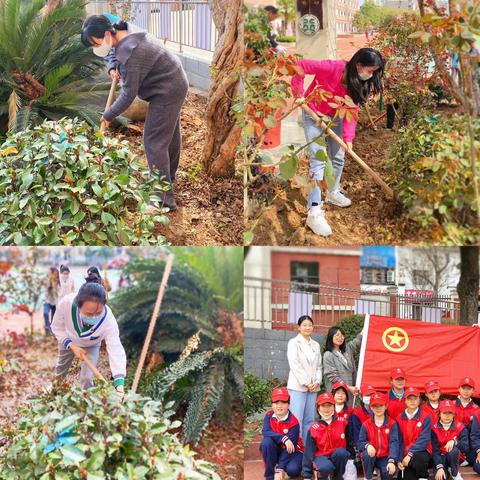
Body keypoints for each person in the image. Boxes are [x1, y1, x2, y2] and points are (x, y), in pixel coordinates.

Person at [80, 15, 189, 211]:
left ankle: (164, 200)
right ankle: (168, 178)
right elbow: (114, 52)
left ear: (106, 34)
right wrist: (113, 66)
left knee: (153, 141)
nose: (96, 49)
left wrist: (108, 115)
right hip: (174, 78)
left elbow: (128, 95)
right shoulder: (122, 30)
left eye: (95, 44)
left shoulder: (131, 54)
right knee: (168, 134)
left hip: (167, 90)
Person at [291, 48, 385, 236]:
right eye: (370, 70)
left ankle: (332, 192)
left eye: (374, 71)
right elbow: (299, 66)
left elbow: (352, 112)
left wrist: (349, 139)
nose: (371, 74)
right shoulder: (332, 67)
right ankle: (314, 212)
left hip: (337, 116)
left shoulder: (357, 83)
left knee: (338, 156)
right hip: (314, 113)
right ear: (359, 65)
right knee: (318, 160)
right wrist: (298, 93)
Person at [50, 281, 126, 392]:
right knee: (61, 370)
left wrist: (119, 386)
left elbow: (115, 349)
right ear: (78, 304)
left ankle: (85, 401)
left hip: (91, 345)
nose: (94, 316)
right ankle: (53, 391)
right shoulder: (66, 303)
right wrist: (72, 346)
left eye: (98, 312)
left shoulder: (108, 320)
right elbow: (57, 327)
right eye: (89, 314)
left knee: (87, 378)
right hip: (68, 339)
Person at [301, 393, 354, 480]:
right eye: (323, 406)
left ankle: (337, 477)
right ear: (318, 408)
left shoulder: (343, 422)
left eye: (329, 405)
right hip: (321, 457)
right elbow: (308, 452)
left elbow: (349, 442)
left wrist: (351, 458)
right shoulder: (314, 428)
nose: (326, 409)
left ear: (333, 406)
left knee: (342, 453)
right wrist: (306, 475)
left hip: (337, 456)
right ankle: (322, 477)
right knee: (326, 467)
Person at [286, 315, 322, 440]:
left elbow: (319, 366)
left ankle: (307, 449)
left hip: (313, 388)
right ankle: (296, 448)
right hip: (298, 387)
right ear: (299, 327)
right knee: (297, 419)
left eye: (310, 325)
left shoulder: (316, 345)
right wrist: (306, 383)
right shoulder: (293, 343)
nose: (307, 328)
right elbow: (294, 365)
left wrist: (317, 381)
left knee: (309, 420)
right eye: (304, 325)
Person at [260, 387, 304, 480]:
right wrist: (283, 438)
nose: (279, 406)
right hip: (276, 449)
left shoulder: (294, 422)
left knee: (293, 470)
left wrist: (280, 468)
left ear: (288, 404)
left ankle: (282, 468)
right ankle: (270, 475)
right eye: (276, 402)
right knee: (266, 442)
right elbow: (266, 431)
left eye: (283, 402)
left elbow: (290, 448)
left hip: (292, 451)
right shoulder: (268, 415)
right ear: (272, 404)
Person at [358, 392, 399, 480]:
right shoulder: (366, 424)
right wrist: (367, 445)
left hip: (385, 456)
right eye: (375, 406)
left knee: (388, 472)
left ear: (386, 406)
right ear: (371, 407)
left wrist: (392, 460)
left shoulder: (392, 423)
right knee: (367, 455)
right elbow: (360, 442)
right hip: (371, 456)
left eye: (381, 405)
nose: (378, 408)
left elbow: (394, 443)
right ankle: (368, 478)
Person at [395, 387, 432, 480]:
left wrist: (410, 454)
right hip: (405, 456)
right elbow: (398, 441)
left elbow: (424, 439)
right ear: (405, 401)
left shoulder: (426, 417)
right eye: (409, 399)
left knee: (419, 459)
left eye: (415, 398)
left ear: (419, 400)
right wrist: (399, 459)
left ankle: (424, 476)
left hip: (421, 452)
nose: (412, 401)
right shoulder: (399, 418)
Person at [323, 325, 363, 405]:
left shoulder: (346, 350)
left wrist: (365, 328)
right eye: (337, 335)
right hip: (337, 393)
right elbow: (333, 377)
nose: (340, 337)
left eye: (342, 335)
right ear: (331, 337)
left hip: (349, 393)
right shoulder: (328, 354)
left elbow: (357, 341)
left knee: (348, 413)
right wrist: (348, 387)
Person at [431, 399, 467, 480]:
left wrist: (454, 441)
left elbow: (465, 446)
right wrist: (439, 466)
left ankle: (454, 472)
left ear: (454, 414)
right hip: (440, 458)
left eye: (450, 413)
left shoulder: (460, 426)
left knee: (453, 450)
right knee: (441, 478)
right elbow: (434, 450)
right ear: (439, 414)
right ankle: (444, 469)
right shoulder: (433, 428)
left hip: (455, 458)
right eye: (444, 413)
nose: (447, 416)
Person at [454, 377, 479, 466]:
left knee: (472, 460)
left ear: (473, 391)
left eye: (469, 389)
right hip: (453, 440)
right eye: (463, 388)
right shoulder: (451, 405)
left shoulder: (477, 409)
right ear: (459, 389)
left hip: (470, 443)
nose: (466, 391)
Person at [43, 267, 60, 336]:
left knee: (54, 318)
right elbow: (47, 287)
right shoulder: (47, 280)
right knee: (45, 313)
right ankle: (47, 327)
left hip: (55, 302)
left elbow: (58, 292)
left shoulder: (59, 282)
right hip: (47, 301)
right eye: (53, 273)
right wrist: (50, 281)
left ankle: (52, 332)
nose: (55, 275)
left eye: (56, 274)